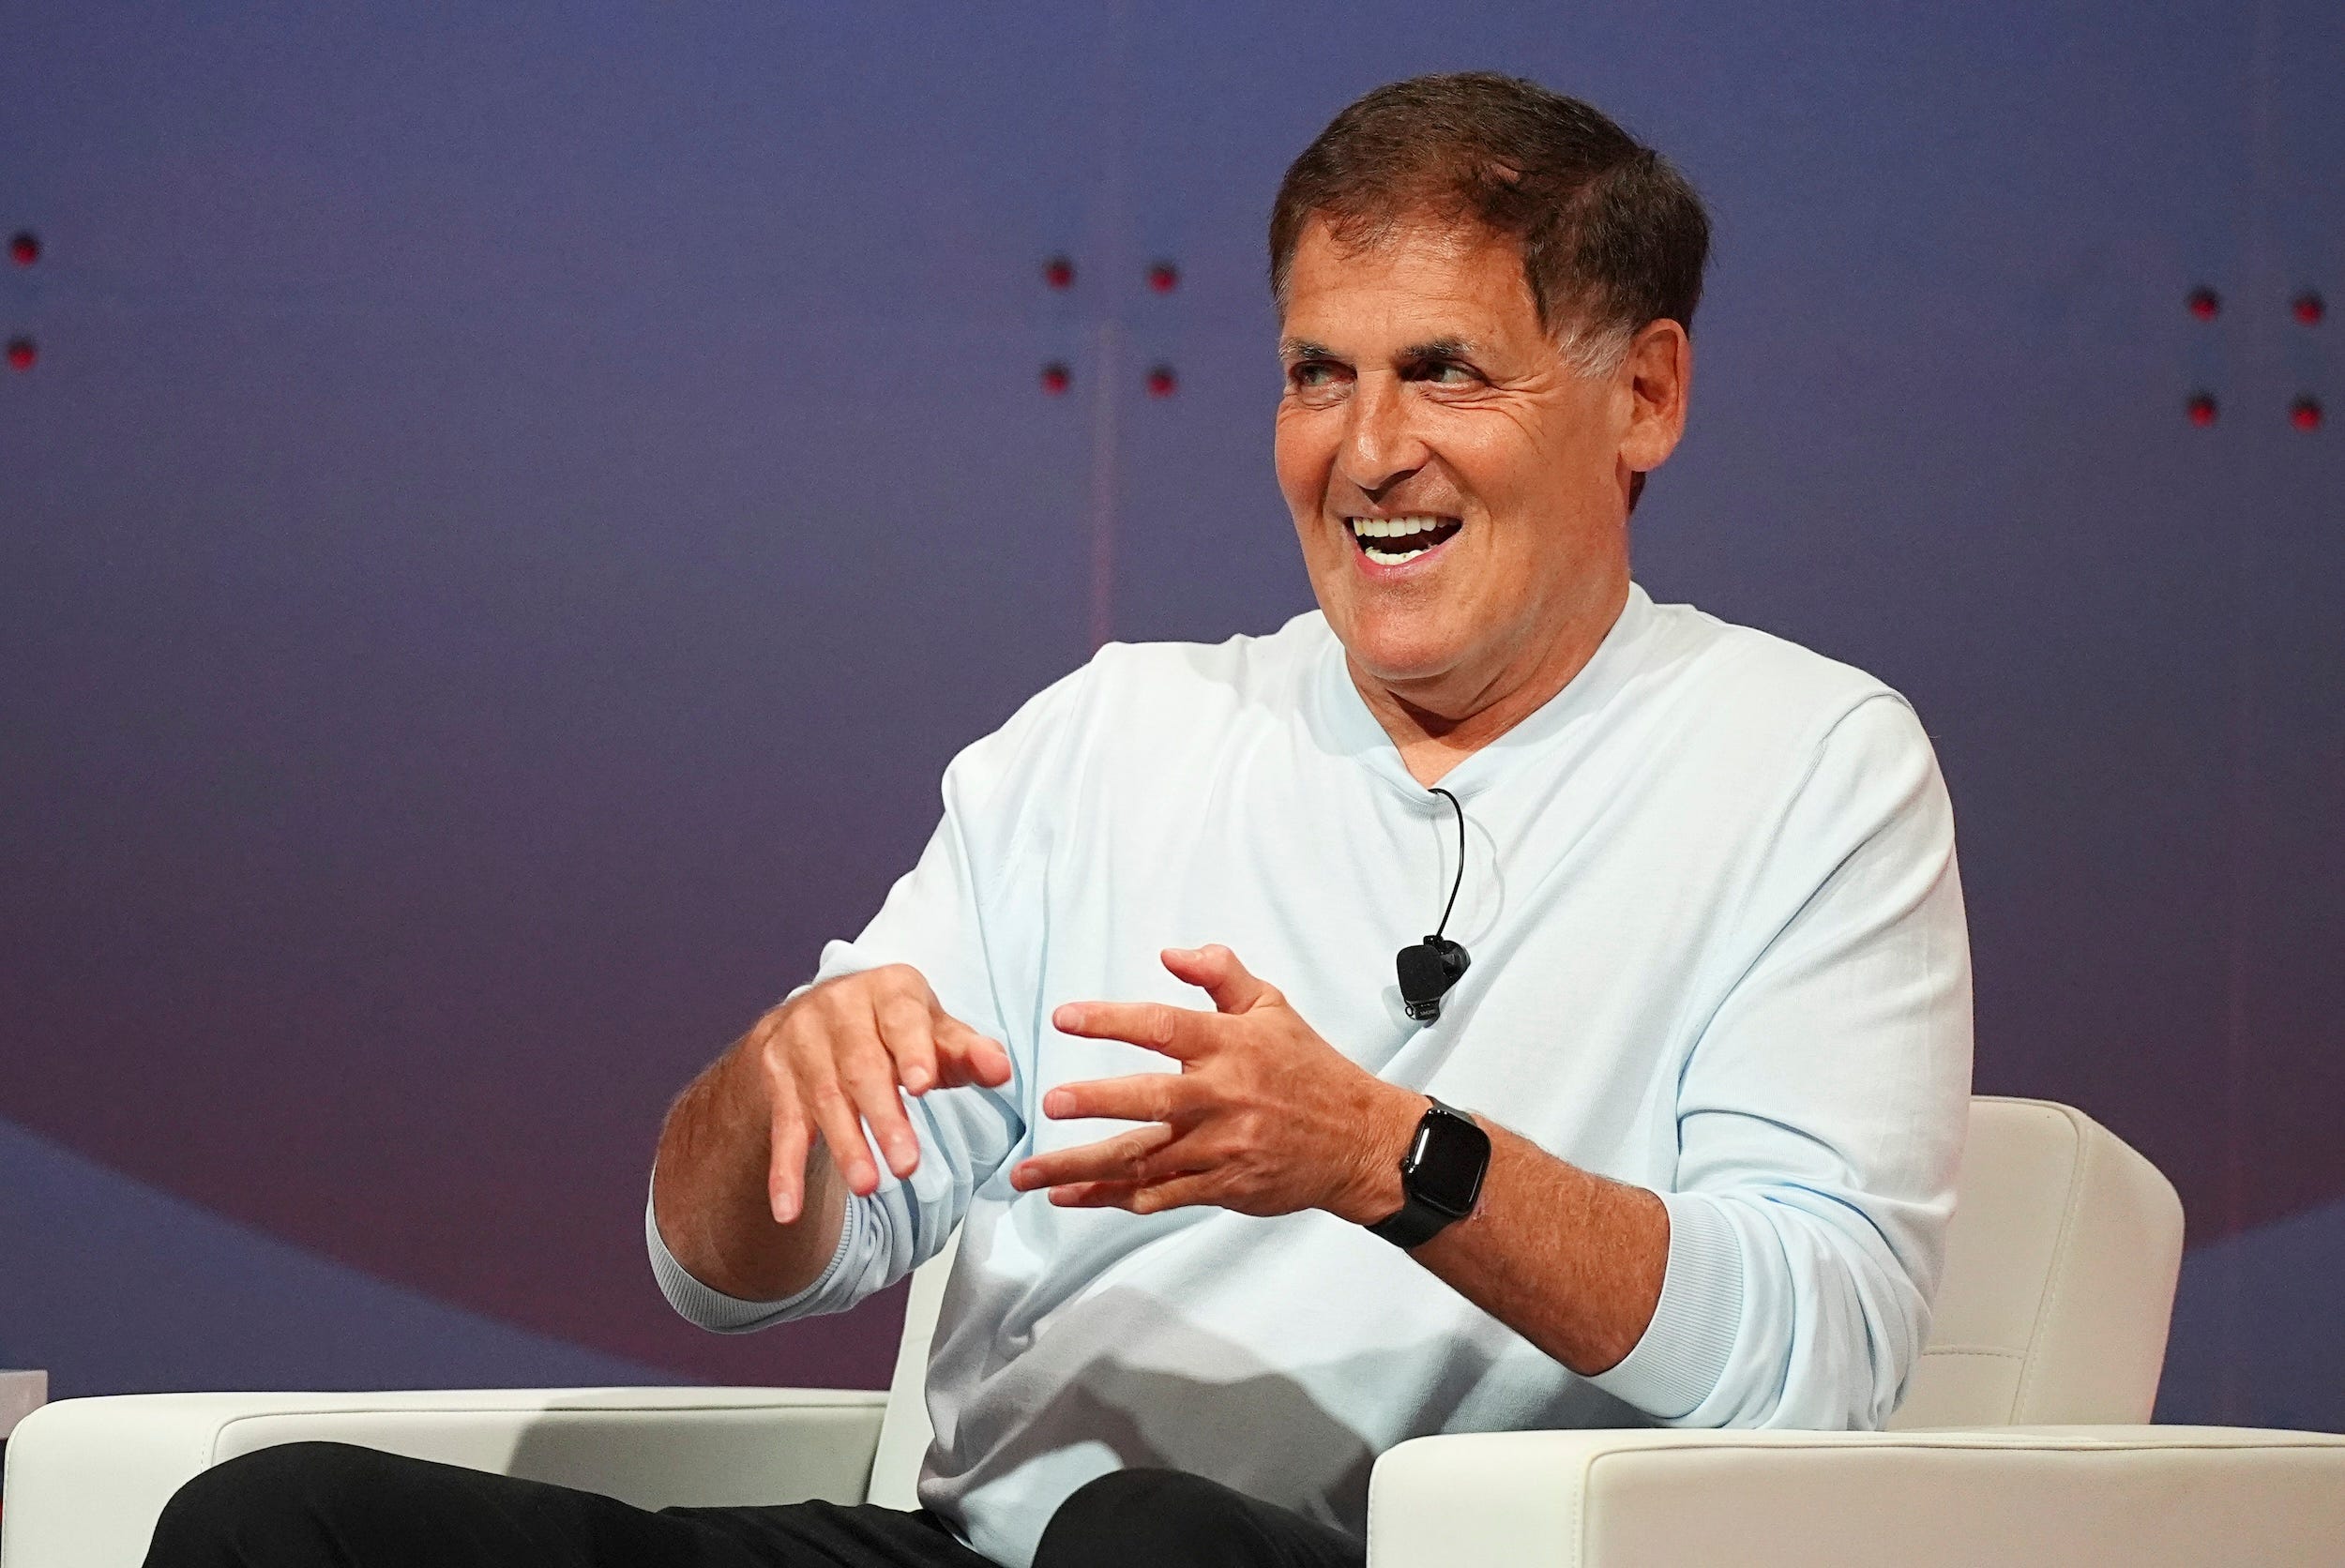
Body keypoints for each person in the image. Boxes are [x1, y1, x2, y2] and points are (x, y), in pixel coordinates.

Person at [147, 70, 1970, 1568]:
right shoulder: (1118, 732)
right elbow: (721, 1273)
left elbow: (1817, 1350)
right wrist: (775, 1097)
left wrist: (1382, 1158)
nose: (1363, 450)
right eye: (1316, 373)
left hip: (1375, 1561)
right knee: (276, 1523)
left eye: (1443, 370)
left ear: (1643, 392)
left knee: (1145, 1540)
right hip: (979, 1550)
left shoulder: (1805, 762)